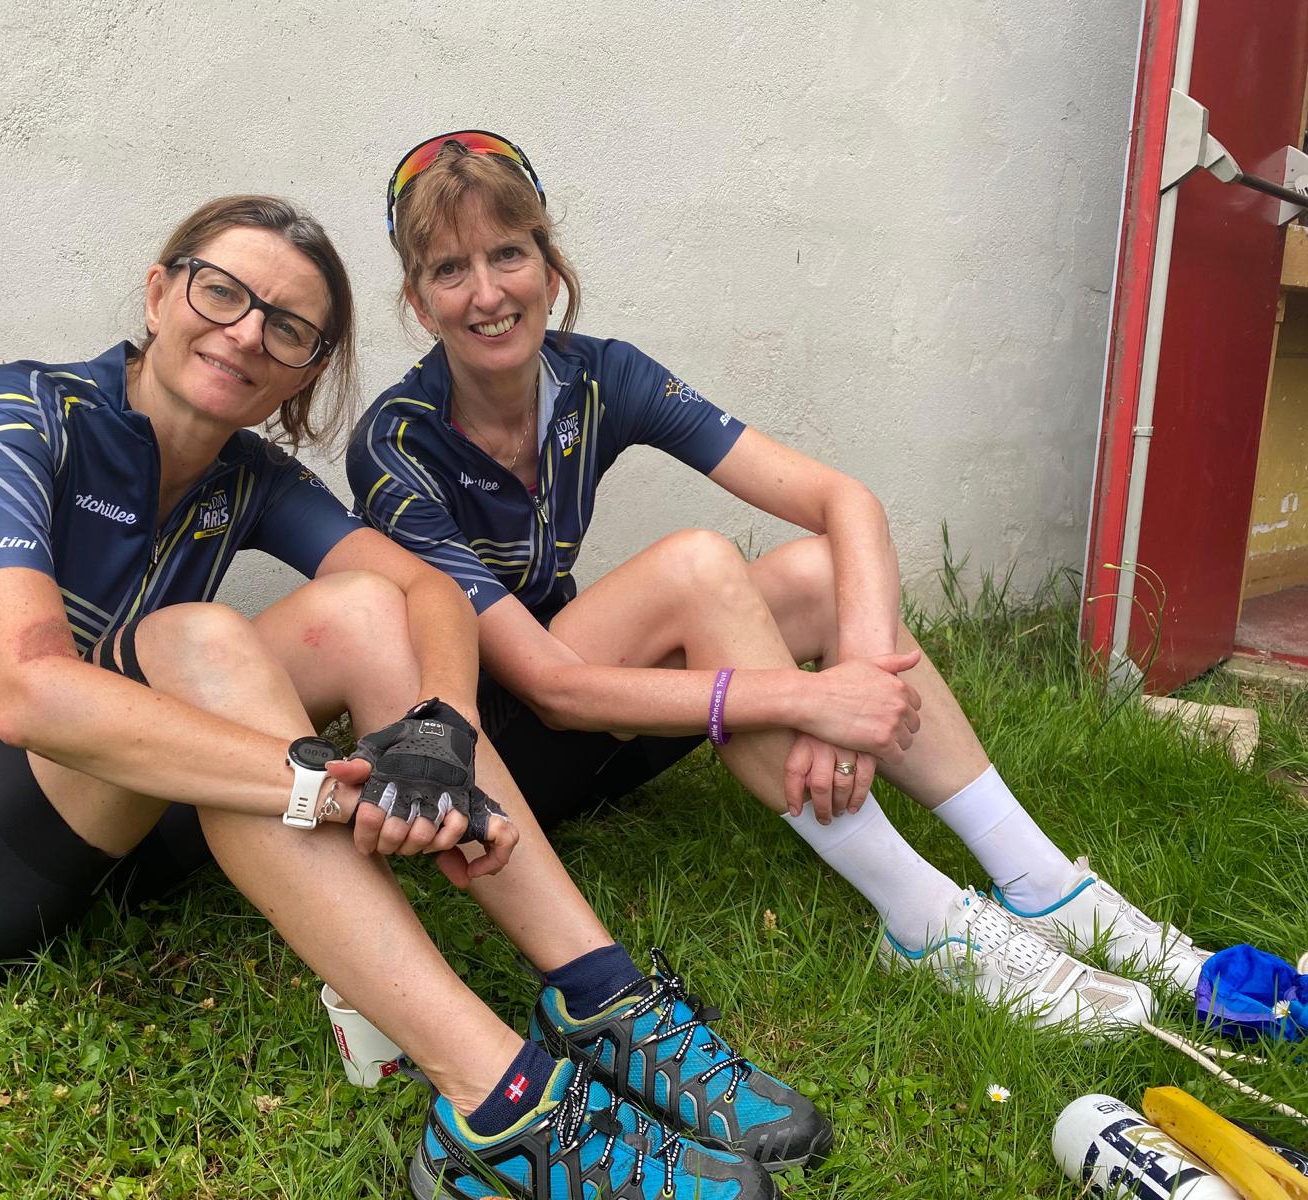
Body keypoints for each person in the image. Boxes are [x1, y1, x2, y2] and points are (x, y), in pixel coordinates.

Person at [0, 195, 818, 1200]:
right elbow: (31, 700)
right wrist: (332, 791)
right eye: (220, 293)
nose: (244, 333)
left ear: (307, 371)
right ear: (158, 293)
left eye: (287, 327)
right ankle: (493, 1105)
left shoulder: (248, 479)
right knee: (194, 639)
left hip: (106, 843)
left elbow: (428, 593)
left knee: (368, 608)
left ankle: (602, 995)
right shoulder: (18, 413)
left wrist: (441, 733)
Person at [351, 130, 1215, 1044]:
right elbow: (555, 693)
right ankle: (921, 920)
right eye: (451, 269)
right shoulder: (394, 442)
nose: (487, 292)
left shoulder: (599, 374)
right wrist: (813, 697)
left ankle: (1043, 883)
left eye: (508, 253)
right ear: (417, 299)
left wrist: (868, 678)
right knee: (696, 564)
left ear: (548, 261)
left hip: (608, 717)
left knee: (816, 571)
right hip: (499, 760)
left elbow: (844, 501)